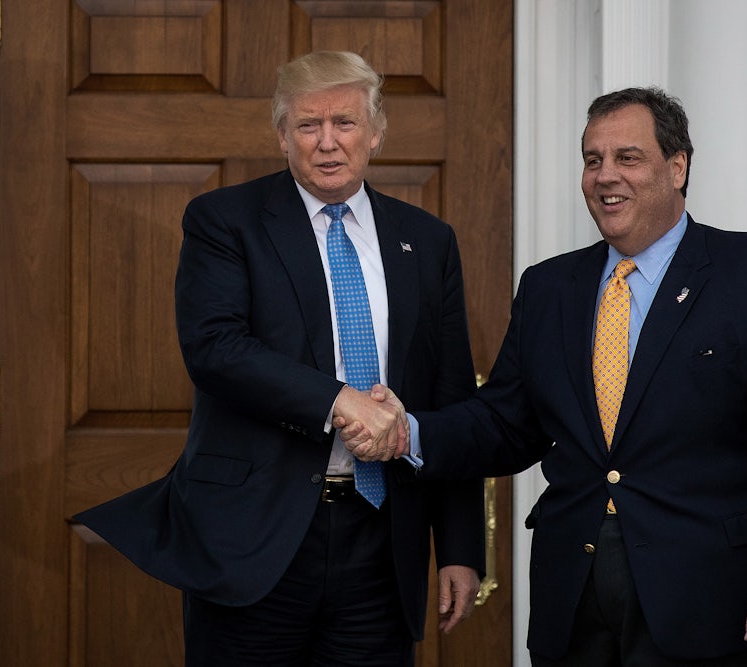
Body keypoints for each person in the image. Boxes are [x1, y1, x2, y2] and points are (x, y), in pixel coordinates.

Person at [340, 87, 747, 666]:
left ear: (678, 167)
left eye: (628, 158)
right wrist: (409, 432)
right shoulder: (549, 287)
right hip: (574, 600)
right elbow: (506, 424)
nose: (606, 176)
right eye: (592, 160)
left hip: (715, 600)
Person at [75, 50, 484, 666]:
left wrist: (459, 546)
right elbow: (215, 348)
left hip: (381, 544)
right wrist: (338, 400)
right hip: (253, 540)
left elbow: (451, 397)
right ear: (281, 135)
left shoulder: (427, 241)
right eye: (307, 125)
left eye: (344, 123)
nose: (327, 143)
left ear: (376, 132)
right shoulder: (225, 221)